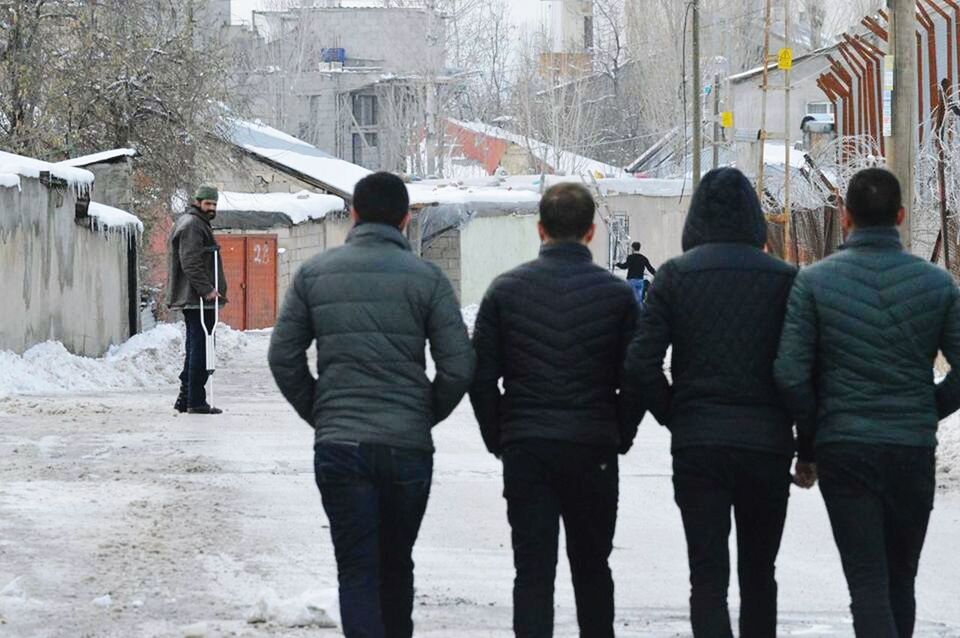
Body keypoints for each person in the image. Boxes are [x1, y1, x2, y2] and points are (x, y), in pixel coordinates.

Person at [267, 172, 475, 638]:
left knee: (357, 569)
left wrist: (321, 411)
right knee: (397, 565)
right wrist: (422, 414)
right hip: (407, 448)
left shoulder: (314, 274)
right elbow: (460, 366)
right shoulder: (428, 279)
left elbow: (283, 356)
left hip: (341, 446)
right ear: (405, 220)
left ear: (354, 214)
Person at [775, 168, 960, 638]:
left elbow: (791, 373)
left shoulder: (814, 283)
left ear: (845, 216)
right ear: (900, 216)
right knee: (902, 578)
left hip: (846, 449)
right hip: (911, 450)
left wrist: (815, 432)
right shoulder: (937, 286)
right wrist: (926, 407)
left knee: (868, 580)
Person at [623, 168, 800, 638]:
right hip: (767, 447)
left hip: (699, 445)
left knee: (707, 577)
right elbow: (803, 366)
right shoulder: (786, 279)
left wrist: (675, 414)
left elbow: (641, 364)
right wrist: (806, 436)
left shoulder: (676, 277)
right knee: (760, 574)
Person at [469, 182, 640, 638]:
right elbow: (637, 376)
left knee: (532, 571)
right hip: (593, 448)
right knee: (592, 568)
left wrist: (500, 436)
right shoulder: (618, 296)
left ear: (540, 229)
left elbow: (480, 376)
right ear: (591, 232)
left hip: (528, 448)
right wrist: (619, 431)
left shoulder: (505, 291)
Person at [167, 185, 227, 415]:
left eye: (214, 204)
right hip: (196, 298)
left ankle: (185, 398)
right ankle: (196, 400)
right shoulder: (192, 225)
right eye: (208, 204)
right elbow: (190, 261)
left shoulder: (195, 222)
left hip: (195, 297)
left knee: (195, 346)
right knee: (201, 349)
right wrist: (207, 290)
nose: (211, 208)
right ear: (198, 202)